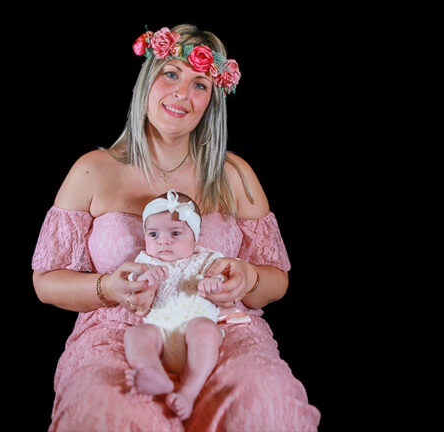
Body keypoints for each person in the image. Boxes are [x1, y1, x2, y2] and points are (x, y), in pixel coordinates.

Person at [31, 24, 320, 431]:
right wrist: (108, 288)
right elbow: (46, 282)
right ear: (148, 79)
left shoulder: (234, 175)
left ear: (211, 101)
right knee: (109, 414)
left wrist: (249, 277)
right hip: (121, 329)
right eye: (171, 74)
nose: (182, 93)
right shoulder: (93, 170)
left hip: (219, 327)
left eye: (199, 83)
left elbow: (278, 280)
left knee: (265, 402)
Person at [124, 189, 246, 421]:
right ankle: (152, 370)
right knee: (136, 334)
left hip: (195, 330)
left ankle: (189, 391)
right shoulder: (145, 262)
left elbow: (227, 276)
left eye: (175, 233)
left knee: (205, 329)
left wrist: (214, 283)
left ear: (195, 236)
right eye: (153, 234)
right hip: (159, 331)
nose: (163, 241)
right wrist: (145, 280)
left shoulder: (208, 259)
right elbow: (131, 285)